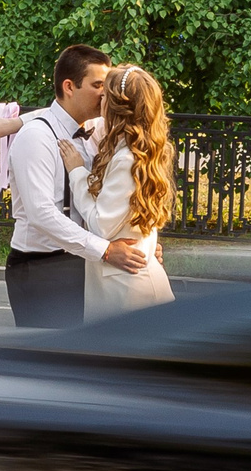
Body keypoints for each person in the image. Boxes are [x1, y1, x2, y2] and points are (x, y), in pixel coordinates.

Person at [0, 46, 151, 328]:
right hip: (43, 267)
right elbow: (41, 214)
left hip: (85, 262)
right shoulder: (36, 138)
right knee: (50, 363)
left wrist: (145, 239)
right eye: (97, 85)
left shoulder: (97, 128)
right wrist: (106, 251)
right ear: (69, 86)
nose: (105, 95)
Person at [55, 64, 174, 318]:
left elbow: (101, 226)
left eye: (105, 96)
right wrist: (15, 122)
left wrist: (77, 172)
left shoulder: (127, 159)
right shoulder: (139, 149)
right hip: (126, 283)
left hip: (127, 291)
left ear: (118, 107)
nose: (100, 101)